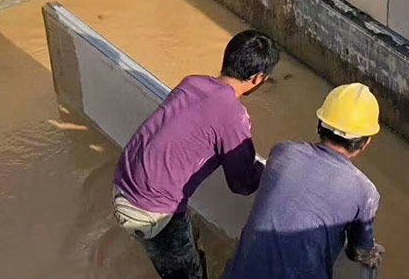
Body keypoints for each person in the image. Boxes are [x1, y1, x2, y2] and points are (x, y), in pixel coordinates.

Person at [112, 30, 280, 279]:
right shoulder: (234, 116)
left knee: (186, 239)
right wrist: (275, 168)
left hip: (123, 183)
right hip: (149, 209)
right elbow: (242, 184)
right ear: (257, 79)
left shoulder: (192, 83)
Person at [223, 83, 385, 279]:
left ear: (319, 125)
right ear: (366, 142)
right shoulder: (364, 191)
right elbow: (358, 251)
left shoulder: (283, 152)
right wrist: (370, 253)